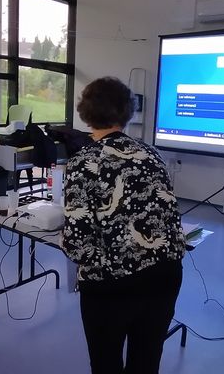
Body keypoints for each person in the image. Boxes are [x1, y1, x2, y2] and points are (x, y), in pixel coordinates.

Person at [60, 77, 186, 374]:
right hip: (164, 275)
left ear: (85, 112)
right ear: (127, 112)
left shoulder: (83, 161)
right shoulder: (152, 153)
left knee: (106, 364)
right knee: (146, 361)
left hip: (112, 285)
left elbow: (78, 245)